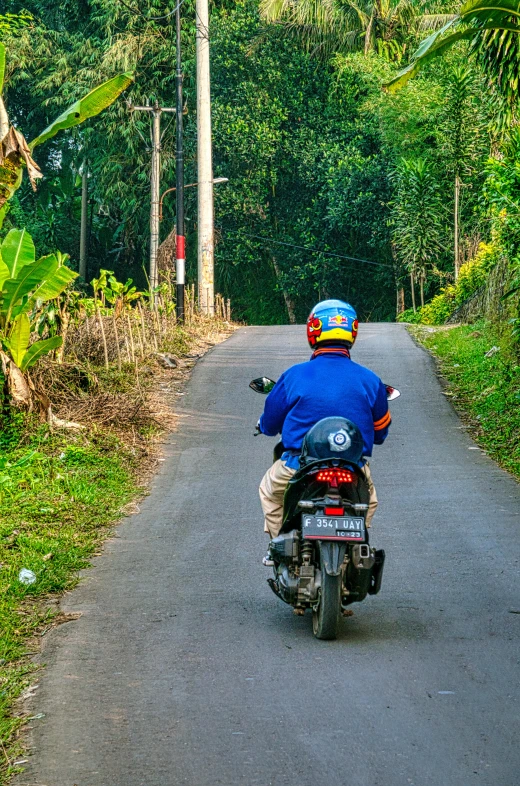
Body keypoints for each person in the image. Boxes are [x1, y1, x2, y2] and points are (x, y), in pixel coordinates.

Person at [257, 300, 391, 565]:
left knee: (269, 492)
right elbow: (380, 433)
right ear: (352, 332)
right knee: (368, 502)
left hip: (299, 466)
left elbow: (271, 423)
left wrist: (263, 427)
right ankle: (354, 552)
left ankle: (279, 549)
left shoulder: (294, 375)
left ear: (313, 331)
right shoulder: (371, 380)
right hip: (352, 468)